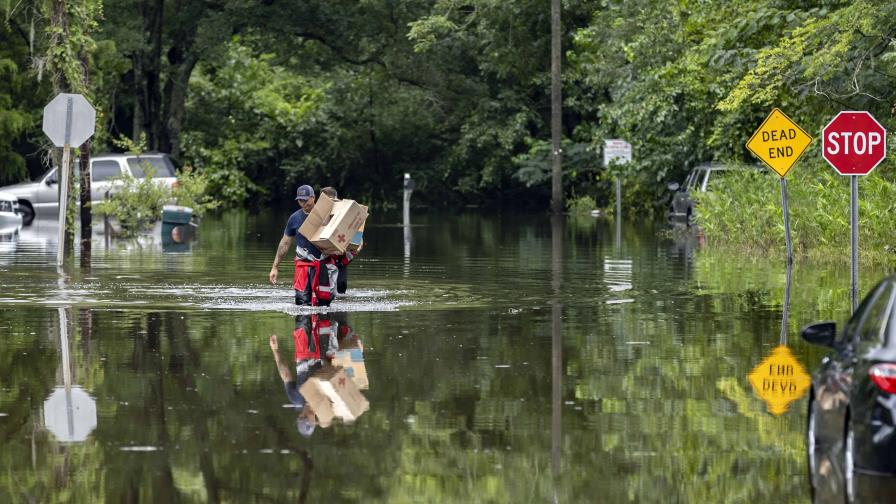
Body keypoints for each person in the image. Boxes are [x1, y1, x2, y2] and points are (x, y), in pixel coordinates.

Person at [270, 184, 322, 305]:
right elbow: (285, 243)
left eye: (306, 200)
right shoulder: (294, 218)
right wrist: (275, 267)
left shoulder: (325, 215)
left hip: (322, 264)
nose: (303, 203)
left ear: (313, 197)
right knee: (301, 302)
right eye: (300, 200)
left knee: (323, 301)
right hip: (302, 264)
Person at [318, 186, 358, 295]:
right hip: (324, 257)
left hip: (341, 257)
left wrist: (358, 245)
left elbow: (356, 233)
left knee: (341, 286)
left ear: (335, 199)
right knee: (324, 288)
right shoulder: (317, 214)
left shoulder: (345, 213)